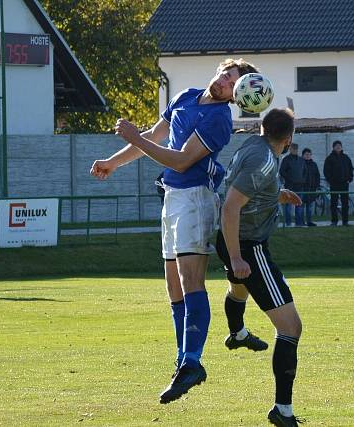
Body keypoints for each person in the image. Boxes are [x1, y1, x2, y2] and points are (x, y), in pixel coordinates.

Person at [90, 58, 262, 404]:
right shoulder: (185, 95)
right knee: (173, 287)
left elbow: (182, 160)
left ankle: (192, 362)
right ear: (218, 71)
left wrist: (135, 136)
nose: (226, 82)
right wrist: (113, 161)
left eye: (233, 83)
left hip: (196, 199)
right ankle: (185, 359)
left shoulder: (219, 120)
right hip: (172, 198)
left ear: (237, 96)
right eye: (226, 74)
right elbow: (154, 137)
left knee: (190, 282)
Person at [216, 108, 304, 426]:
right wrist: (237, 256)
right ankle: (283, 411)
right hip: (248, 247)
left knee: (238, 289)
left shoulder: (253, 145)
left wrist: (277, 195)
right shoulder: (264, 159)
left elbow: (247, 189)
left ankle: (237, 333)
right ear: (290, 137)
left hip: (235, 242)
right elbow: (231, 207)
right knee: (291, 328)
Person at [323, 140, 354, 226]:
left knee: (345, 203)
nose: (338, 147)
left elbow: (351, 168)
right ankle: (334, 221)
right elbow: (326, 171)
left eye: (339, 145)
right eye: (336, 146)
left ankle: (345, 221)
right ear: (333, 147)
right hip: (334, 184)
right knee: (334, 203)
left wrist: (349, 178)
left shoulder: (346, 157)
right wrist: (331, 180)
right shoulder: (329, 158)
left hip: (345, 184)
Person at [279, 143, 306, 227]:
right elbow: (282, 171)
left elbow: (305, 171)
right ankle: (288, 223)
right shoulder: (286, 159)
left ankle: (299, 223)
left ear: (297, 150)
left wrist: (303, 180)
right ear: (290, 149)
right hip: (289, 186)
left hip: (300, 186)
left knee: (299, 205)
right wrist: (289, 179)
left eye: (295, 149)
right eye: (292, 148)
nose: (294, 150)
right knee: (288, 206)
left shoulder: (301, 160)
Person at [301, 148, 320, 227]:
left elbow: (317, 176)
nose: (308, 156)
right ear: (303, 155)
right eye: (306, 154)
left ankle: (309, 222)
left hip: (312, 189)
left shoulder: (314, 164)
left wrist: (316, 186)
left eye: (309, 154)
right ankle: (300, 222)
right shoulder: (300, 163)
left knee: (310, 207)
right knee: (301, 207)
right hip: (302, 189)